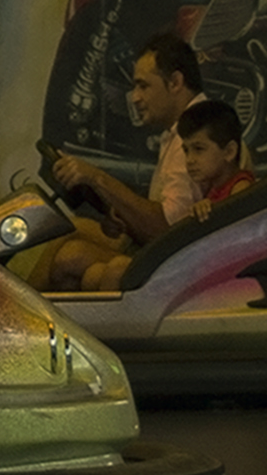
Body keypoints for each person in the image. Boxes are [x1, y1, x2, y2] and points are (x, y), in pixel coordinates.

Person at [34, 31, 207, 290]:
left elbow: (166, 229)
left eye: (143, 86)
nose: (134, 97)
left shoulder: (195, 136)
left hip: (177, 264)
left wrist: (96, 177)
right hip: (166, 253)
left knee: (72, 253)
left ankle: (10, 309)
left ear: (175, 82)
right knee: (69, 231)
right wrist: (124, 216)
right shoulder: (182, 129)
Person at [77, 97, 253, 289]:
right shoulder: (212, 189)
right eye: (186, 151)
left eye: (198, 149)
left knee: (116, 270)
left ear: (229, 152)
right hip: (197, 267)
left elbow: (238, 244)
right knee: (93, 275)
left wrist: (211, 217)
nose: (190, 160)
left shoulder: (240, 188)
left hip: (215, 276)